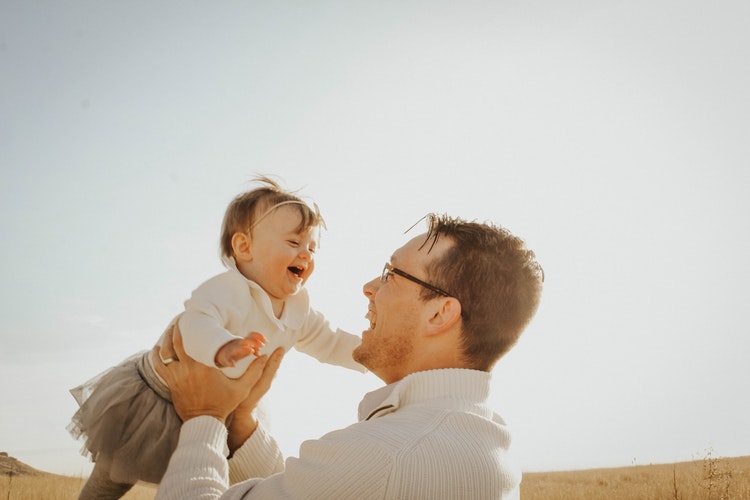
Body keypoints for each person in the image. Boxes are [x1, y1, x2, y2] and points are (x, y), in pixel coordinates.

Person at [154, 213, 544, 500]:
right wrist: (240, 422)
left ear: (440, 313)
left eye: (392, 274)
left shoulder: (389, 453)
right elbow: (324, 487)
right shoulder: (477, 437)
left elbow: (369, 471)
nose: (369, 287)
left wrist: (204, 416)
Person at [68, 177, 366, 499]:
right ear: (244, 247)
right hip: (157, 399)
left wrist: (368, 355)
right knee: (111, 478)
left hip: (219, 408)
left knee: (200, 475)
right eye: (294, 243)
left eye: (311, 247)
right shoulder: (227, 289)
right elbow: (194, 324)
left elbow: (331, 342)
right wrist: (222, 345)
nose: (305, 254)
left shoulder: (299, 310)